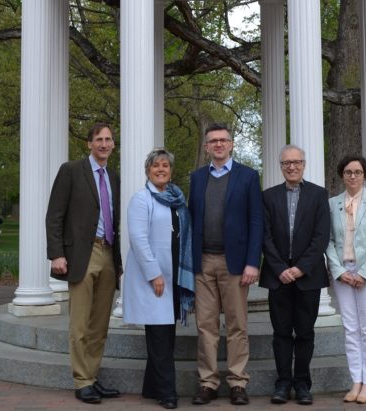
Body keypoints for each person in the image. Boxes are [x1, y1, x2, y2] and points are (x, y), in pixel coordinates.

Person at [45, 122, 123, 404]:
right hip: (81, 254)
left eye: (109, 139)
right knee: (79, 324)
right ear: (88, 143)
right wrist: (56, 254)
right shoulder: (71, 171)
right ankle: (81, 381)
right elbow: (54, 214)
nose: (104, 144)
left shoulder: (114, 176)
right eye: (99, 139)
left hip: (108, 254)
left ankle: (92, 375)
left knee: (99, 324)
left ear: (113, 145)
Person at [188, 123, 263, 406]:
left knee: (237, 325)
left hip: (236, 264)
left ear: (231, 144)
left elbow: (256, 221)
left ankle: (238, 382)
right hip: (203, 262)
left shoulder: (248, 177)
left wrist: (253, 262)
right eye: (213, 141)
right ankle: (207, 383)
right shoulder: (197, 178)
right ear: (206, 147)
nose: (218, 145)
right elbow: (192, 219)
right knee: (205, 325)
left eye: (223, 140)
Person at [123, 148, 195, 409]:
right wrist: (154, 274)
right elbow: (139, 240)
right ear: (148, 171)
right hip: (155, 277)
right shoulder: (142, 200)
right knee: (161, 336)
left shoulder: (176, 199)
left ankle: (151, 387)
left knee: (165, 334)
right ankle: (168, 393)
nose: (161, 169)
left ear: (171, 171)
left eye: (165, 165)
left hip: (175, 275)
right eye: (156, 166)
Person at [260, 145, 330, 406]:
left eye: (296, 162)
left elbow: (321, 236)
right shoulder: (268, 197)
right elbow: (264, 236)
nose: (291, 167)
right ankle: (282, 383)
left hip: (308, 276)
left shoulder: (319, 195)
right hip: (277, 277)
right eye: (286, 163)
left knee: (304, 333)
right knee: (280, 333)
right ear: (281, 166)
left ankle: (302, 384)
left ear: (304, 164)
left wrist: (300, 268)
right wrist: (281, 268)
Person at [326, 155, 366, 405]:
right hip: (342, 272)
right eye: (348, 172)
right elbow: (328, 240)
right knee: (351, 328)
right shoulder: (332, 204)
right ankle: (356, 379)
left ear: (365, 175)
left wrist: (363, 273)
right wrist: (339, 271)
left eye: (358, 172)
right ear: (342, 175)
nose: (353, 176)